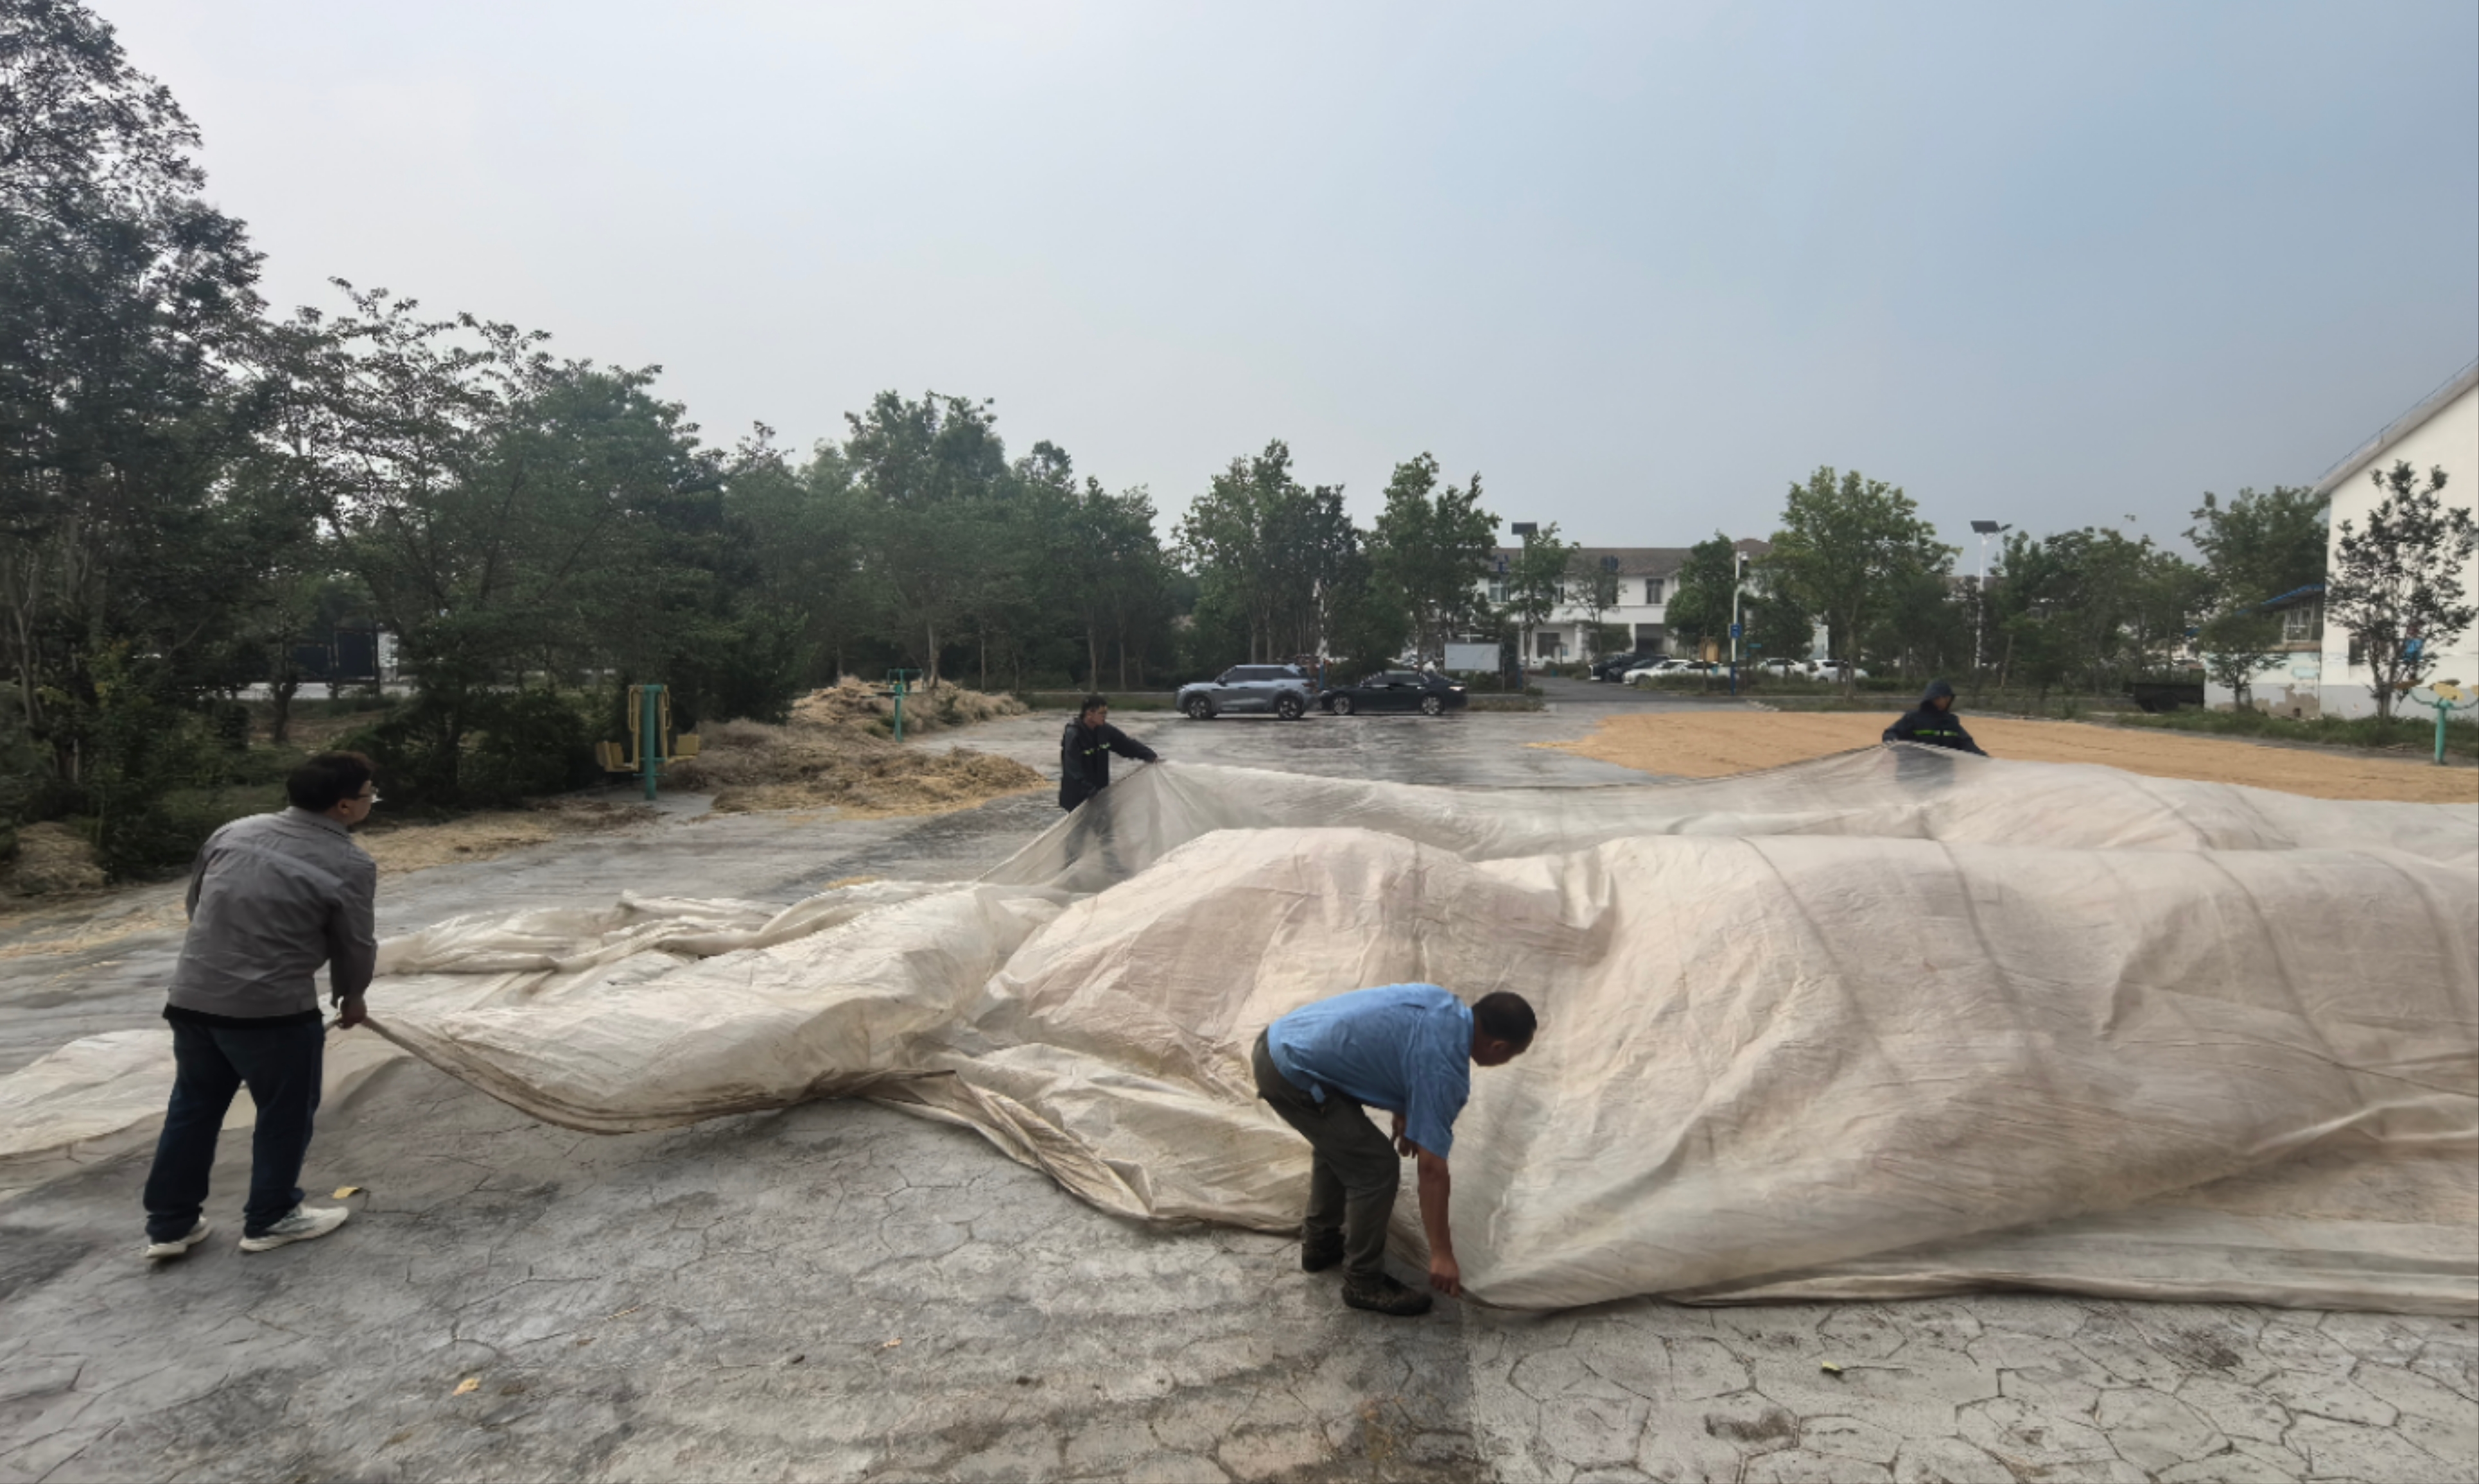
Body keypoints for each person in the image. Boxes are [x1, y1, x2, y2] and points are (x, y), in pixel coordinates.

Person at [141, 752, 379, 1261]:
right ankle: (271, 1217)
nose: (371, 802)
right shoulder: (349, 863)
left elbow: (196, 905)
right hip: (272, 1012)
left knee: (193, 1107)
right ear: (343, 806)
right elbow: (354, 943)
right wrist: (351, 995)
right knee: (284, 1112)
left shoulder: (235, 832)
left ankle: (169, 1226)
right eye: (369, 795)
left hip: (192, 998)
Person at [1251, 985, 1537, 1316]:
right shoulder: (1445, 1071)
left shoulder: (1440, 1002)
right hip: (1291, 1072)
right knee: (1375, 1167)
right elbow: (1432, 1170)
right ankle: (1363, 1282)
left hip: (1281, 1041)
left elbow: (1393, 1042)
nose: (1508, 1061)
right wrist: (1442, 1254)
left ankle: (1321, 1243)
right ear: (1498, 1047)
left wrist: (1403, 1106)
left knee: (1344, 1148)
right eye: (1512, 1055)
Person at [1057, 694, 1158, 811]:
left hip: (1099, 794)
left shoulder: (1105, 731)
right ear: (1089, 714)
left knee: (1105, 822)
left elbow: (1125, 744)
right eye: (1102, 713)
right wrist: (1088, 789)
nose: (1105, 716)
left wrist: (1148, 754)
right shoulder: (1074, 734)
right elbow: (1072, 767)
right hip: (1077, 797)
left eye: (1106, 713)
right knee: (1083, 823)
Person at [1883, 678, 1990, 756]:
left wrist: (1984, 758)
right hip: (1916, 774)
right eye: (1942, 698)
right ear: (1932, 699)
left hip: (1943, 776)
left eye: (1948, 698)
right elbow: (1890, 734)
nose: (1945, 701)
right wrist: (1898, 746)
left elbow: (1966, 743)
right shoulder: (1913, 718)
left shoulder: (1951, 721)